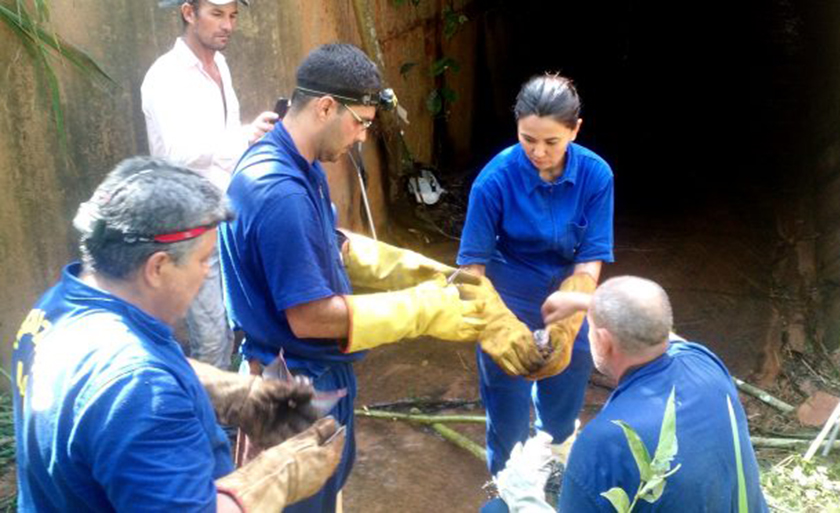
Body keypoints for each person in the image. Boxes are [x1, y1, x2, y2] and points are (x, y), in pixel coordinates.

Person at [219, 43, 486, 512]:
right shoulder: (279, 192)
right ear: (325, 106)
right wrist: (420, 311)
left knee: (326, 492)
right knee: (300, 501)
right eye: (360, 122)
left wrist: (415, 269)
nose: (363, 136)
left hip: (311, 375)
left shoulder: (300, 163)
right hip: (292, 389)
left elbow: (329, 242)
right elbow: (309, 317)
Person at [12, 157, 344, 512]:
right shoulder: (138, 386)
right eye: (204, 260)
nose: (206, 273)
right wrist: (276, 477)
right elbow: (133, 385)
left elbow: (112, 379)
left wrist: (233, 393)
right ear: (158, 267)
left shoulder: (57, 308)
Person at [484, 276, 769, 512]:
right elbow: (656, 327)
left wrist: (524, 496)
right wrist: (585, 302)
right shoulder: (703, 360)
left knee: (497, 510)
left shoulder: (604, 441)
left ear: (604, 341)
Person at [457, 73, 615, 476]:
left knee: (565, 391)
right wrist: (492, 321)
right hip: (509, 294)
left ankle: (556, 463)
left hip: (569, 295)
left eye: (551, 142)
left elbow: (590, 258)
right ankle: (508, 484)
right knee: (507, 410)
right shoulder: (494, 180)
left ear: (575, 130)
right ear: (517, 127)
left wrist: (572, 315)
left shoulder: (597, 176)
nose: (538, 152)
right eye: (528, 139)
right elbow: (472, 265)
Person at [141, 0, 278, 368]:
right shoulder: (165, 75)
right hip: (188, 224)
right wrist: (244, 136)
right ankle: (210, 423)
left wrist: (254, 137)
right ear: (189, 13)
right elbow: (177, 153)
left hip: (227, 212)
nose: (228, 25)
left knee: (238, 326)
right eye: (217, 14)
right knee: (212, 339)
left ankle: (231, 417)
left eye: (233, 15)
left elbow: (224, 139)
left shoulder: (221, 65)